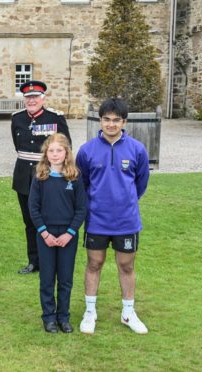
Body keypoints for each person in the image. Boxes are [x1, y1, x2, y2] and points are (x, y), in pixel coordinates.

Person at [76, 98, 150, 335]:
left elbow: (141, 183)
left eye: (116, 120)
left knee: (126, 265)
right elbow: (83, 183)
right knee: (94, 263)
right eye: (106, 119)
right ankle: (90, 312)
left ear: (124, 122)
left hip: (126, 220)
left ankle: (128, 313)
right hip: (97, 219)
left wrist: (124, 201)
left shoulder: (137, 149)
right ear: (100, 121)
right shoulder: (87, 150)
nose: (111, 124)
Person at [28, 133, 87, 334]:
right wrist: (44, 233)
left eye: (59, 150)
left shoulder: (75, 177)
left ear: (66, 153)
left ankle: (64, 317)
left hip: (67, 236)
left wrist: (70, 233)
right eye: (51, 151)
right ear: (46, 153)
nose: (54, 154)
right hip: (46, 235)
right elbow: (33, 208)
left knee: (65, 279)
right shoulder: (40, 177)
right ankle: (49, 317)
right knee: (46, 278)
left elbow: (81, 209)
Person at [11, 80, 71, 274]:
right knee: (29, 221)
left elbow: (66, 147)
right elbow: (18, 146)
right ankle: (34, 261)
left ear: (43, 98)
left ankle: (51, 260)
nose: (31, 100)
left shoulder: (55, 118)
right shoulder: (17, 119)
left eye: (35, 97)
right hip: (23, 177)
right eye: (28, 98)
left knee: (50, 218)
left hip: (47, 175)